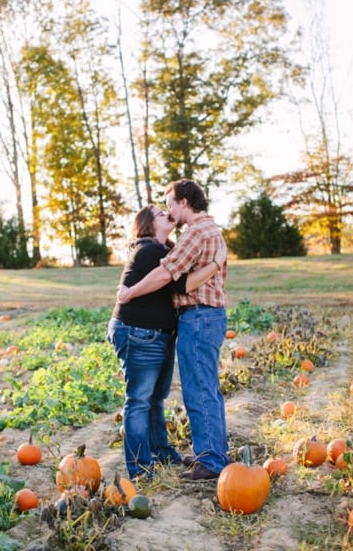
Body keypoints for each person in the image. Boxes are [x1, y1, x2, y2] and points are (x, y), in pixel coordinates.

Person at [118, 179, 229, 480]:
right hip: (206, 317)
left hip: (199, 317)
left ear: (183, 202)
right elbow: (182, 277)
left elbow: (168, 275)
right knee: (206, 389)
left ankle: (212, 460)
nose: (168, 211)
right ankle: (213, 452)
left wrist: (129, 292)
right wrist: (215, 265)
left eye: (169, 204)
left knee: (199, 391)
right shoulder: (210, 230)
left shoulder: (195, 232)